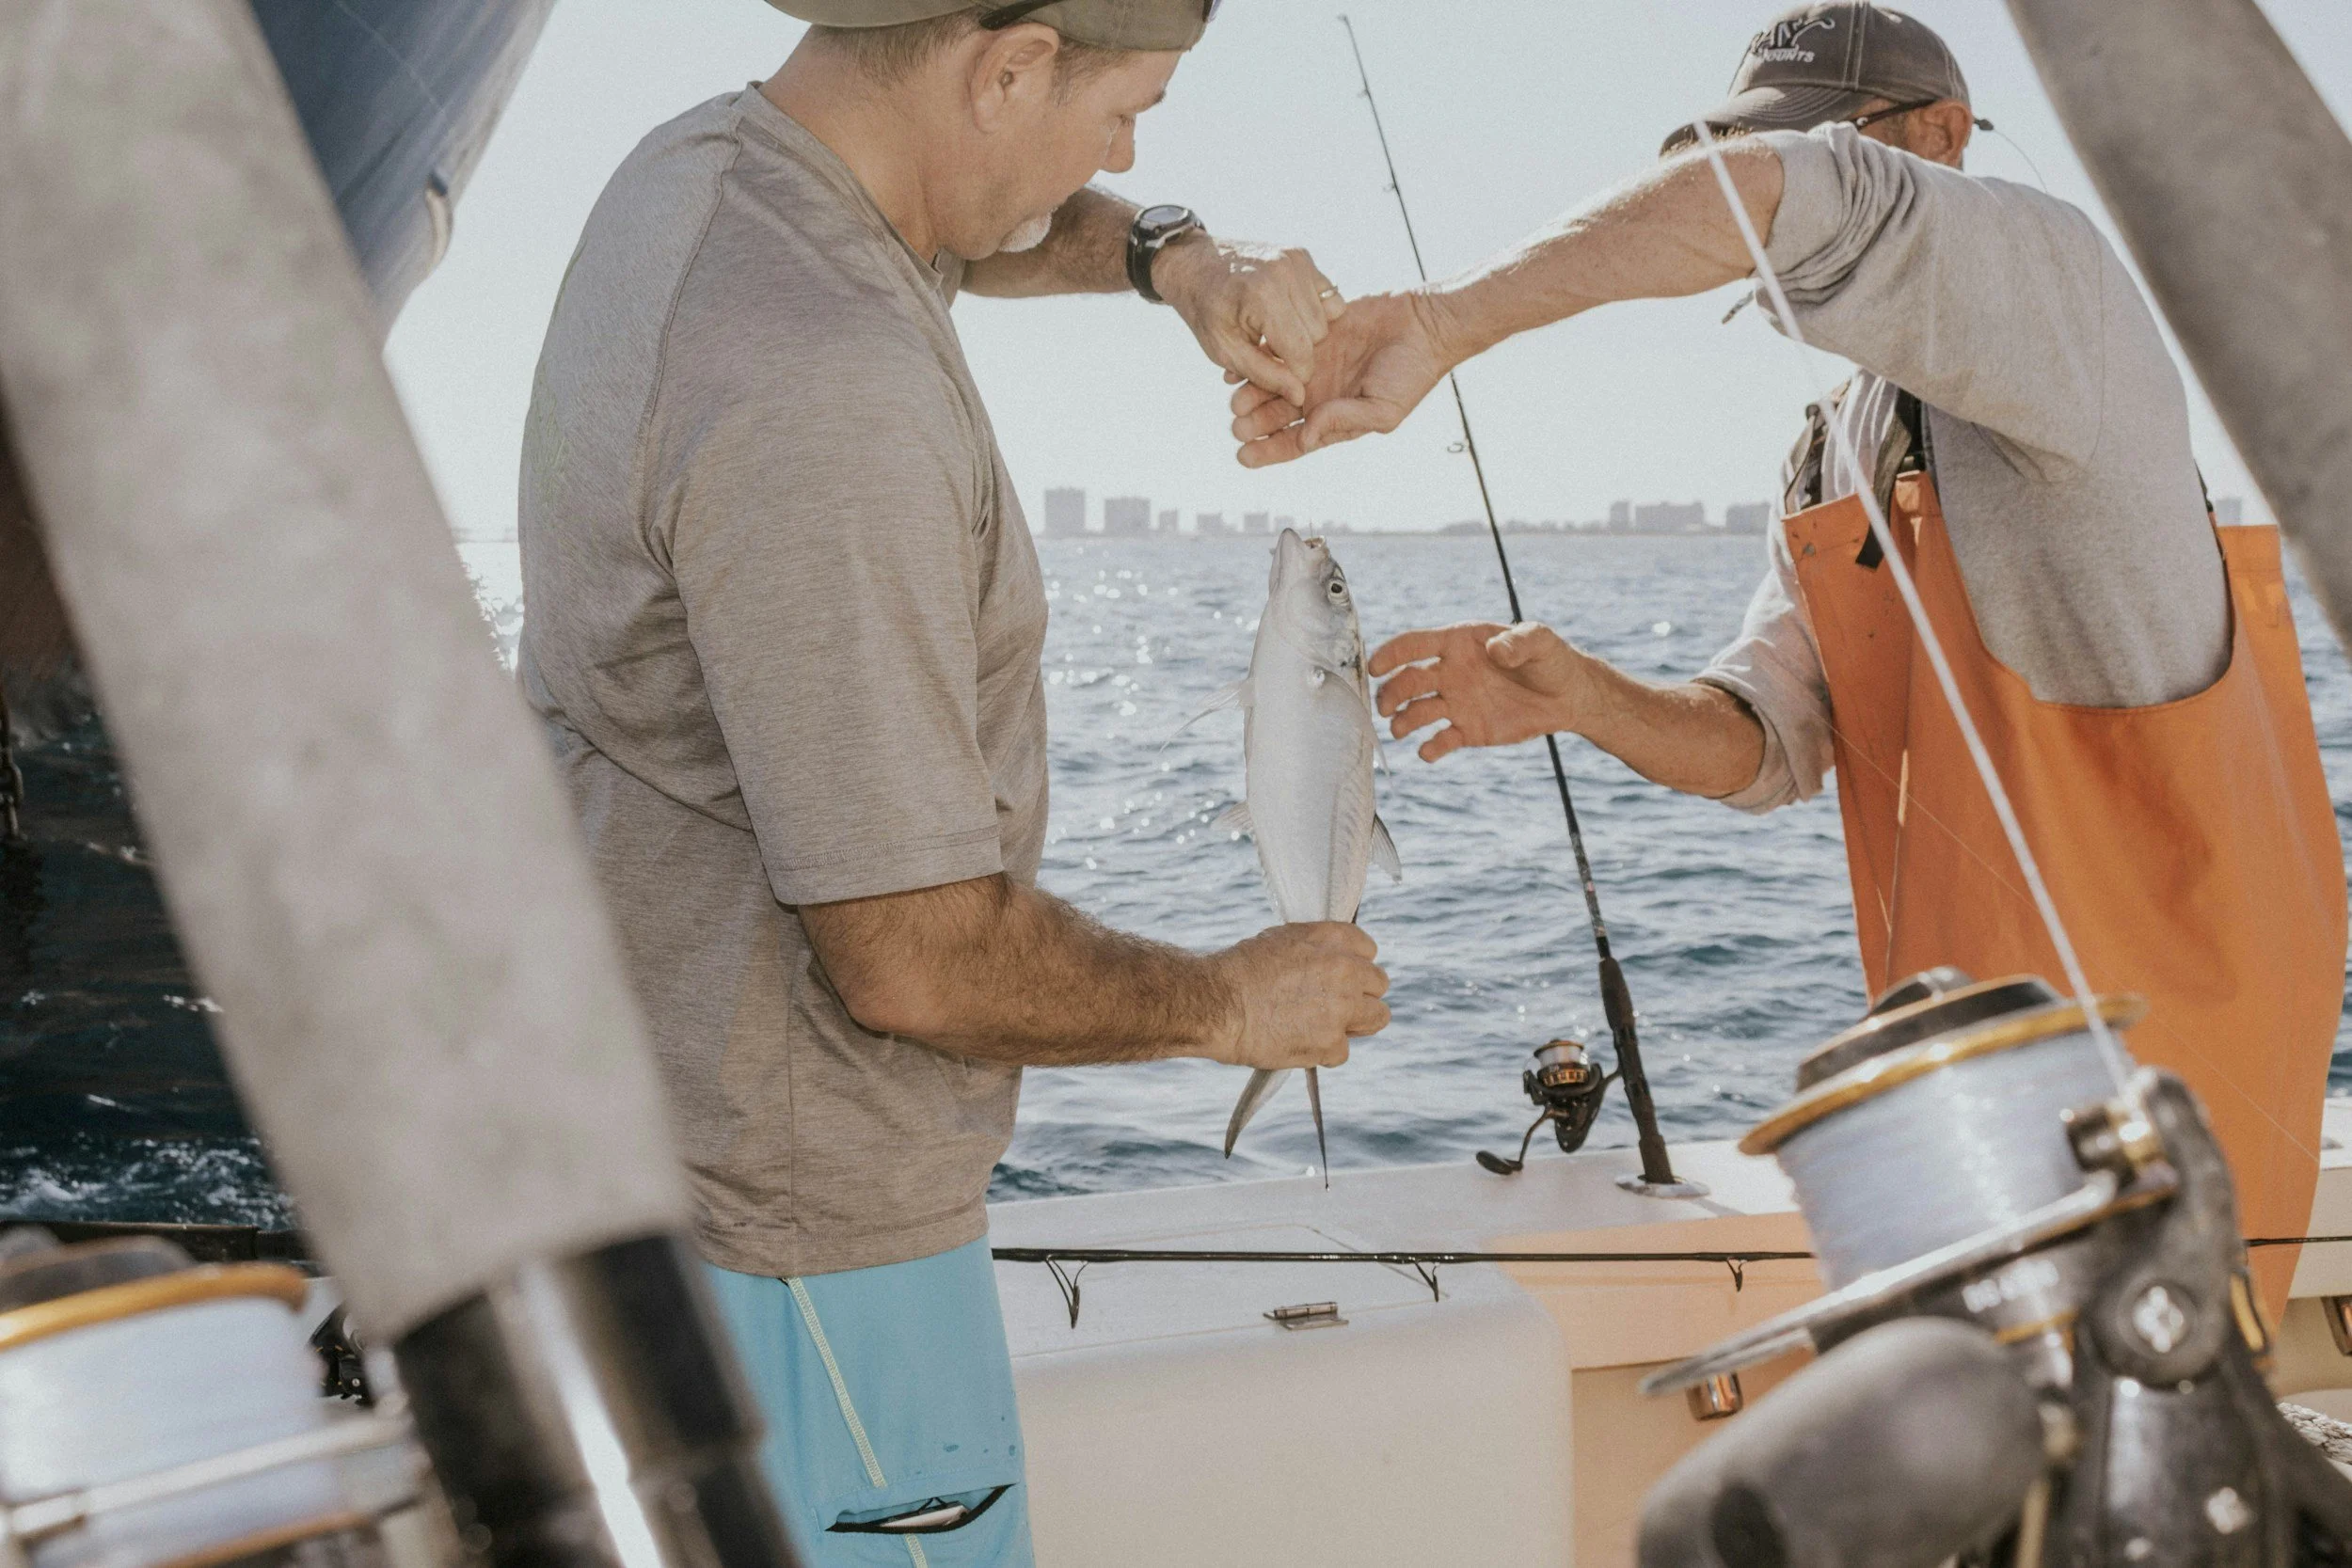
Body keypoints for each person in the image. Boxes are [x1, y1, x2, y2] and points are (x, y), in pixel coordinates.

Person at [1232, 0, 2344, 1314]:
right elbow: (1766, 741)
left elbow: (1781, 200)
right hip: (1973, 1076)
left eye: (1815, 148)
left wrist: (1450, 322)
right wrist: (1578, 694)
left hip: (2166, 1074)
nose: (1758, 246)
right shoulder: (1838, 442)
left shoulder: (2055, 286)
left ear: (1941, 136)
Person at [516, 2, 1391, 1560]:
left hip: (639, 1159)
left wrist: (1180, 263)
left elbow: (987, 231)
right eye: (1132, 109)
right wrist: (1229, 1003)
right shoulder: (819, 382)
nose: (1128, 155)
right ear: (1011, 65)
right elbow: (911, 956)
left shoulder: (714, 178)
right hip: (805, 1241)